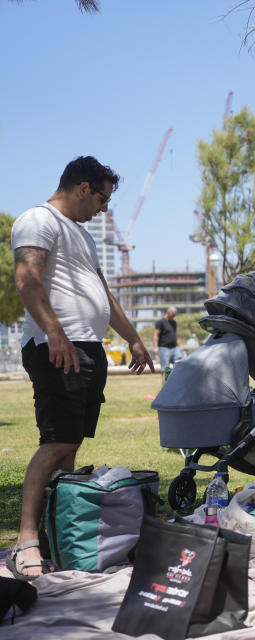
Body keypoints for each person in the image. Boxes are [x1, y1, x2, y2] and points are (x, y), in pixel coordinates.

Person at [9, 156, 154, 580]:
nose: (104, 210)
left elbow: (104, 297)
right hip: (56, 348)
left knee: (70, 448)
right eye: (103, 199)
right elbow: (27, 279)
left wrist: (133, 337)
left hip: (87, 349)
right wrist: (55, 332)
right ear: (84, 187)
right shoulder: (39, 219)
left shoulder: (83, 237)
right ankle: (27, 540)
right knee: (55, 443)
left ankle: (58, 534)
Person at [153, 306, 180, 372]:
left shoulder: (174, 323)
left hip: (174, 348)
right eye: (173, 315)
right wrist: (156, 347)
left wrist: (179, 346)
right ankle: (166, 382)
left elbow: (175, 334)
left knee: (178, 365)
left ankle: (175, 381)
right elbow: (156, 335)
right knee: (166, 368)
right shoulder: (160, 322)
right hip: (164, 348)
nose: (174, 316)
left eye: (175, 315)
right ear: (169, 312)